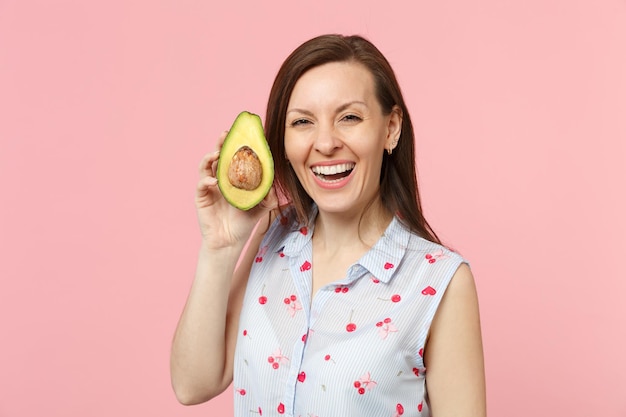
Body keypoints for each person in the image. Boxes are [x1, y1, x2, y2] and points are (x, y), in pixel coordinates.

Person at [170, 34, 486, 417]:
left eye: (349, 117)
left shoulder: (440, 280)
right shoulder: (274, 233)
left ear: (391, 128)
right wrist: (220, 247)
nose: (325, 143)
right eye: (302, 122)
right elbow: (192, 384)